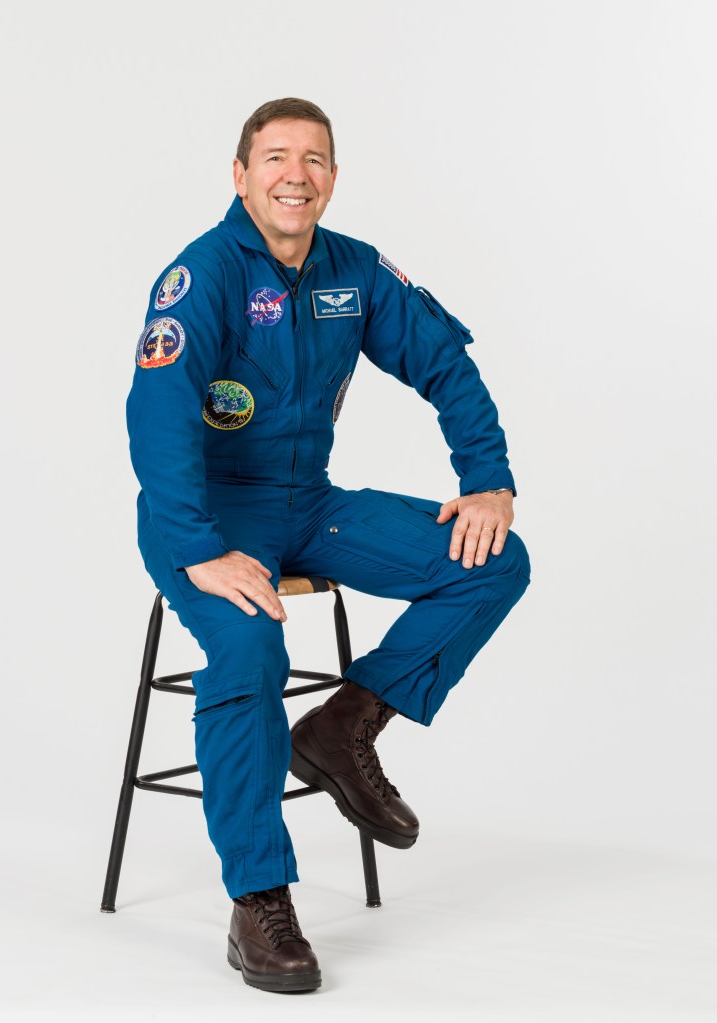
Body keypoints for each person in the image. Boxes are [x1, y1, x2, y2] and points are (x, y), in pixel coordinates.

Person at [126, 98, 530, 993]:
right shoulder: (202, 277)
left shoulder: (353, 271)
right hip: (207, 517)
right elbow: (156, 420)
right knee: (247, 643)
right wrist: (198, 548)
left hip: (308, 504)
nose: (294, 174)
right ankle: (257, 899)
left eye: (313, 159)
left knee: (493, 559)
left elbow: (445, 362)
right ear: (240, 175)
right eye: (274, 157)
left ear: (333, 179)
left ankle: (344, 724)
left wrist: (487, 477)